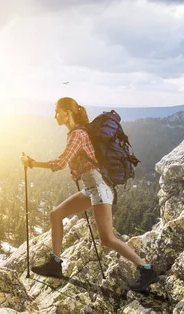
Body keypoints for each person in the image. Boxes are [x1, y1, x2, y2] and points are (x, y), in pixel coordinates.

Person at [20, 97, 159, 292]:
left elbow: (60, 163)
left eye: (58, 111)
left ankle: (146, 269)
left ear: (68, 112)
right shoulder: (76, 133)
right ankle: (55, 263)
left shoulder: (77, 134)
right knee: (56, 215)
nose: (55, 115)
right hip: (91, 188)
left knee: (107, 238)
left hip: (99, 189)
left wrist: (33, 163)